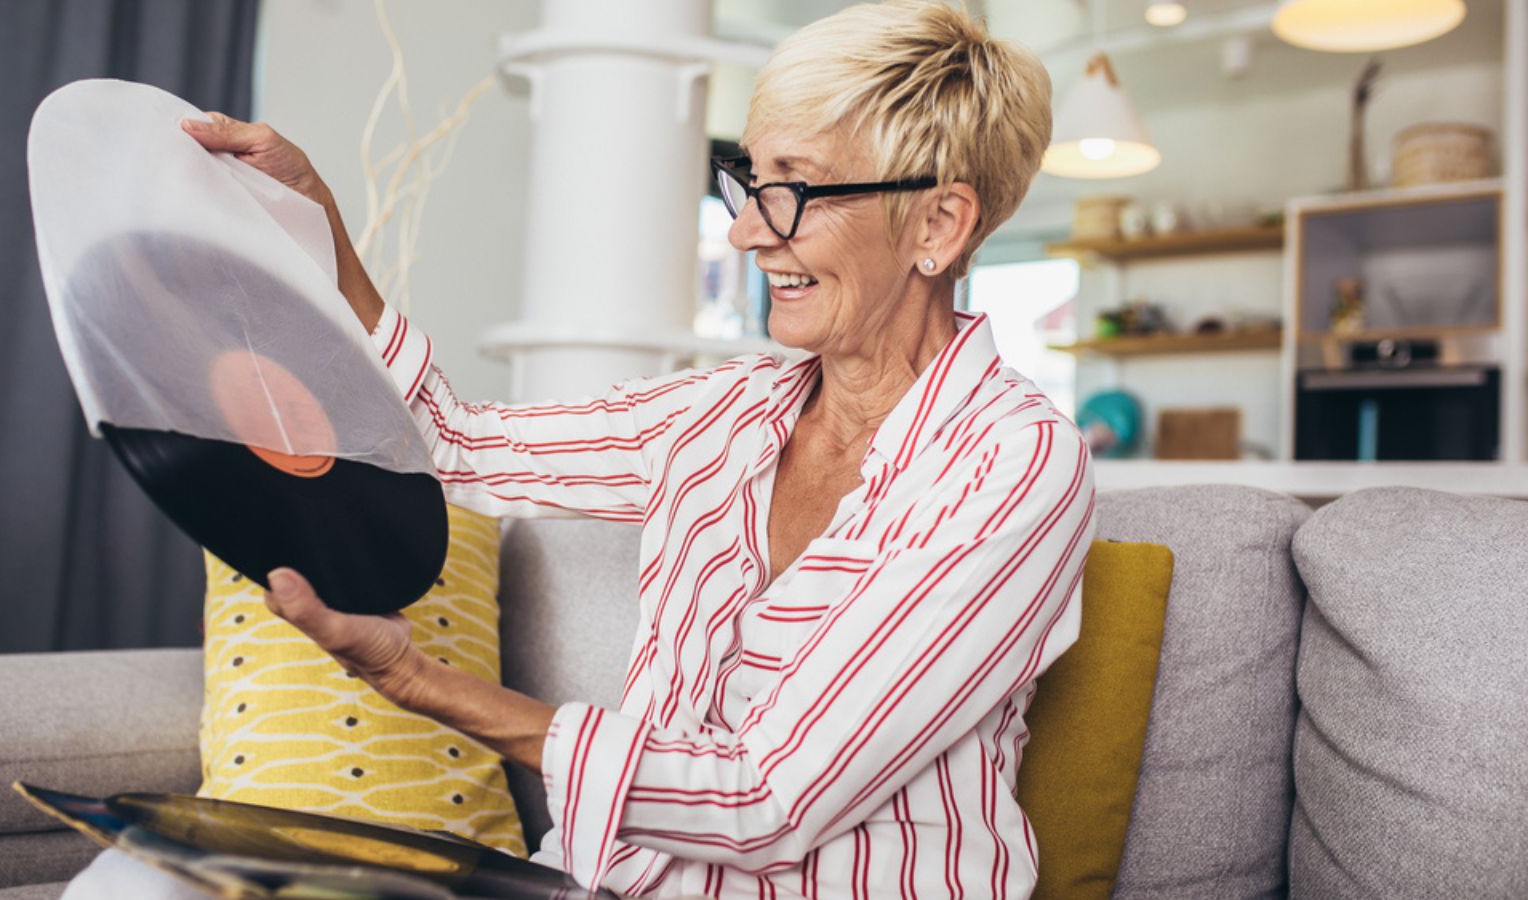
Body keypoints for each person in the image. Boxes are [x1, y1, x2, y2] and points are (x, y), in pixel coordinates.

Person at [64, 2, 1093, 897]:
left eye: (793, 189)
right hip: (605, 882)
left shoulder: (1010, 468)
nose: (745, 233)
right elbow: (455, 446)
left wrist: (422, 683)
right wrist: (319, 224)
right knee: (141, 877)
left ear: (939, 224)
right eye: (749, 179)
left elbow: (768, 802)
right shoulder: (723, 414)